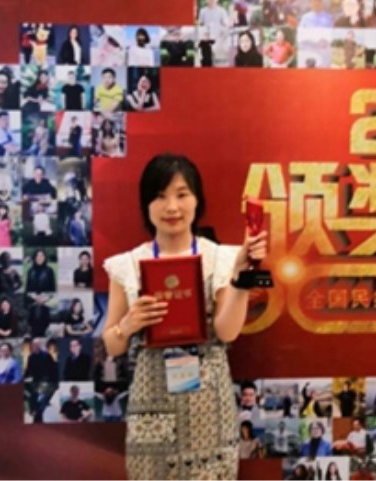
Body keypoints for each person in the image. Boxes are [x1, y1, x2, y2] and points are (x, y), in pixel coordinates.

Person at [101, 153, 268, 479]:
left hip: (209, 409)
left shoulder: (220, 258)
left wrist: (239, 278)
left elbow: (227, 332)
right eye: (160, 196)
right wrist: (127, 325)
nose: (172, 207)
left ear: (197, 200)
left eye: (181, 194)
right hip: (151, 411)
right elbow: (111, 345)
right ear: (146, 205)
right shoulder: (127, 265)